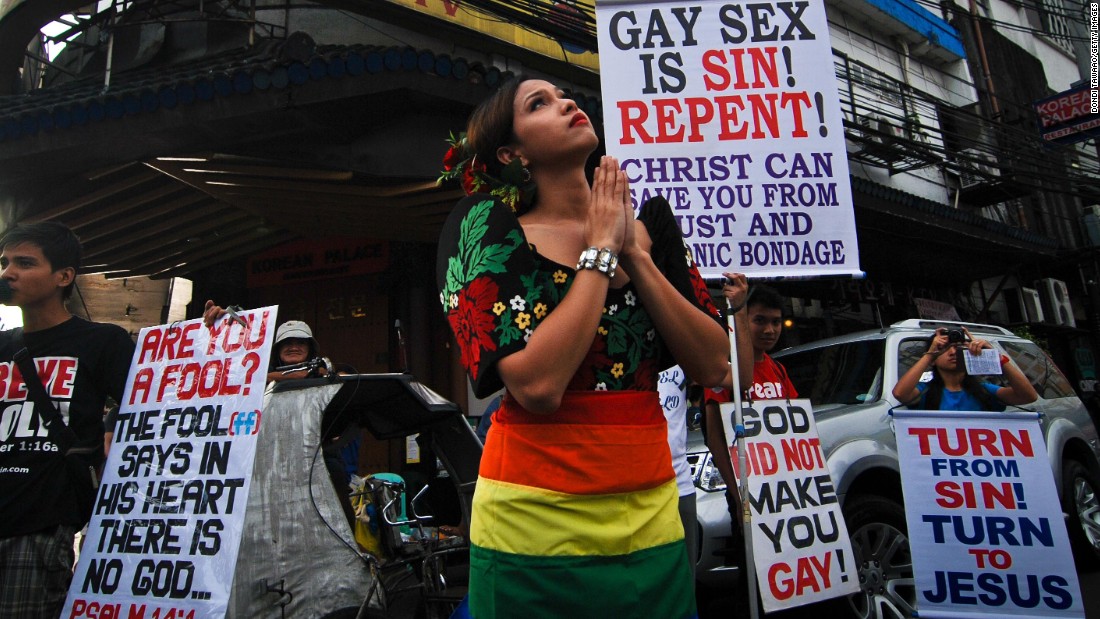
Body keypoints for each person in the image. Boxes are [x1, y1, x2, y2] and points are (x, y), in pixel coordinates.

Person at [436, 77, 729, 617]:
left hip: (650, 514)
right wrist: (598, 253)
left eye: (563, 95)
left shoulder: (647, 232)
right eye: (538, 104)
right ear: (511, 152)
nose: (567, 102)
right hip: (534, 521)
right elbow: (538, 386)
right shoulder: (487, 231)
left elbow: (714, 364)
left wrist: (634, 254)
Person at [0, 221, 134, 617]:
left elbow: (156, 406)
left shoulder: (101, 342)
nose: (8, 273)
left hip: (39, 529)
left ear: (64, 276)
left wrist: (209, 340)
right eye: (4, 262)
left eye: (25, 263)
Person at [892, 326, 1038, 410]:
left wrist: (995, 356)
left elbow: (1028, 396)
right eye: (944, 348)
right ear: (933, 360)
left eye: (958, 347)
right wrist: (929, 354)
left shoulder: (984, 391)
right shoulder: (925, 391)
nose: (953, 352)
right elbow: (900, 393)